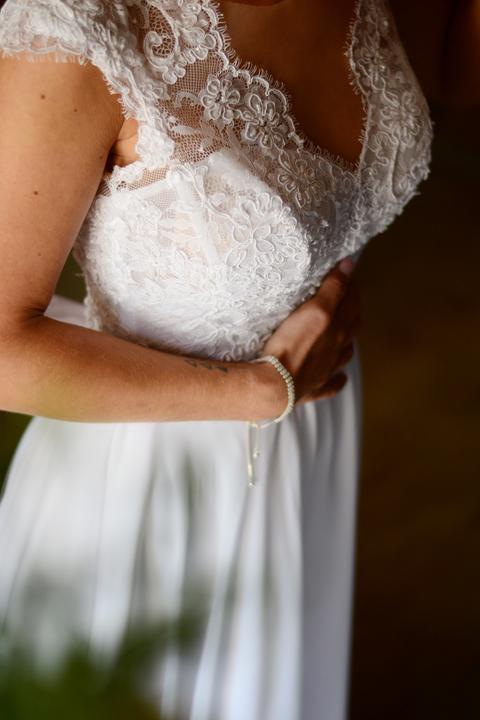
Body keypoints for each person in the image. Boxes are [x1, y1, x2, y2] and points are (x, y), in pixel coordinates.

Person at [0, 0, 471, 718]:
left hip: (309, 435)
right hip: (148, 481)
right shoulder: (81, 30)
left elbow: (453, 65)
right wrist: (261, 391)